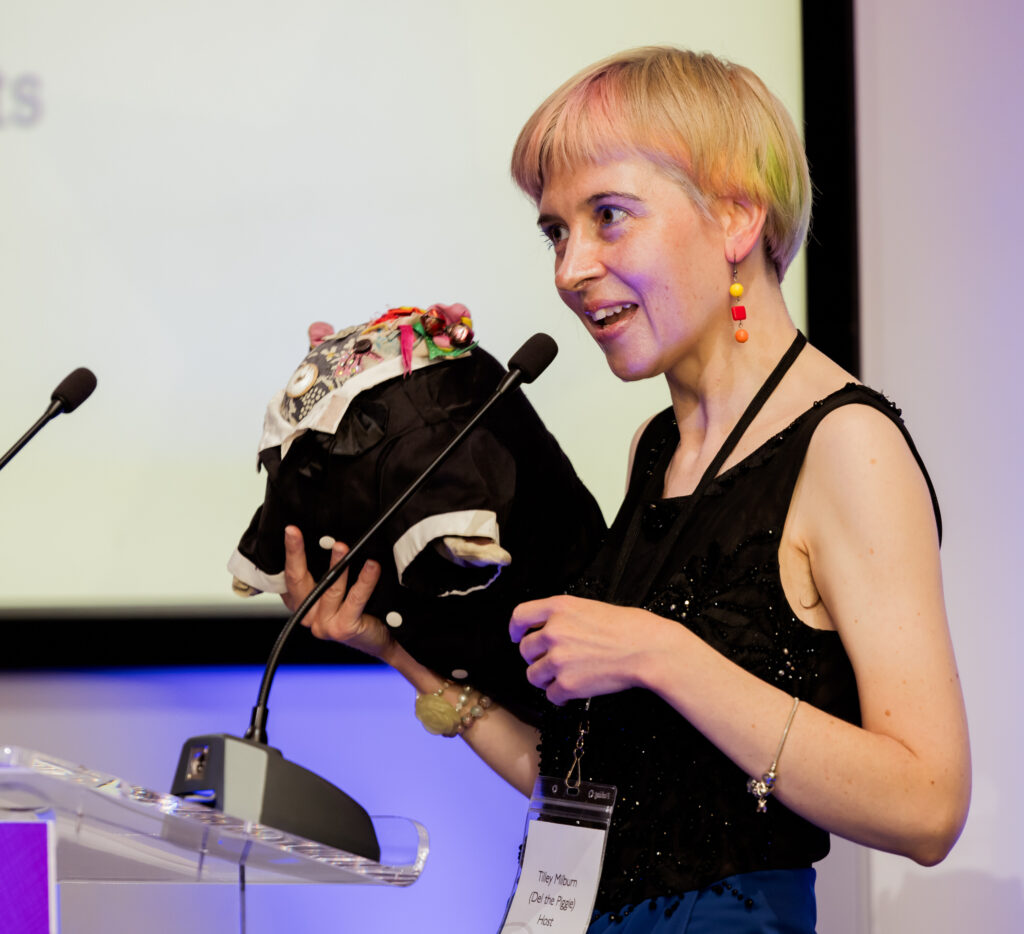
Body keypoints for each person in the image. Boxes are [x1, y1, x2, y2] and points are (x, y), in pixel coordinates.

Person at [281, 46, 970, 933]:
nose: (570, 269)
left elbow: (926, 804)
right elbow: (589, 786)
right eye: (556, 232)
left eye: (609, 216)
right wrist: (394, 653)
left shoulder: (848, 446)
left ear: (734, 216)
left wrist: (663, 654)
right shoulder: (658, 447)